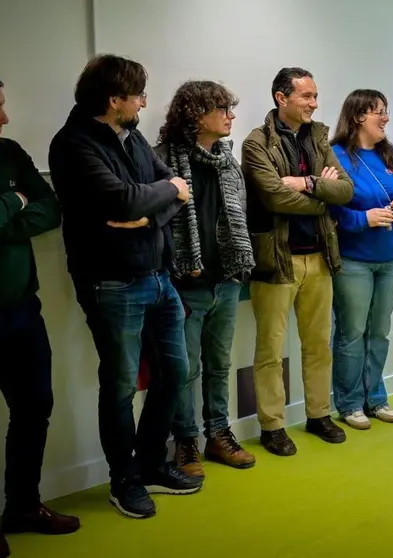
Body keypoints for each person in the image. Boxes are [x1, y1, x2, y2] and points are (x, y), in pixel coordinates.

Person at [48, 54, 201, 519]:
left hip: (159, 277)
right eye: (138, 96)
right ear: (115, 100)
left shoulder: (131, 135)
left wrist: (149, 209)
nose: (143, 103)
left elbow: (176, 188)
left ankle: (153, 463)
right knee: (118, 386)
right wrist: (160, 196)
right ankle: (125, 479)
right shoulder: (73, 144)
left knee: (175, 373)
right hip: (110, 283)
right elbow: (124, 197)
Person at [0, 67, 79, 558]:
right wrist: (12, 202)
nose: (4, 117)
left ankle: (24, 506)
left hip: (20, 309)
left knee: (35, 407)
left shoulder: (10, 154)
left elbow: (49, 208)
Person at [241, 67, 354, 456]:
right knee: (270, 351)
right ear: (281, 97)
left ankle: (319, 414)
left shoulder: (320, 136)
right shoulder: (256, 142)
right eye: (306, 96)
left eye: (315, 95)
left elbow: (345, 190)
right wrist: (322, 194)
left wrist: (306, 183)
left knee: (318, 344)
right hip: (276, 262)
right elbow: (273, 197)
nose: (314, 103)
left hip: (319, 259)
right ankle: (272, 425)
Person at [154, 81, 256, 478]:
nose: (231, 117)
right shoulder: (163, 160)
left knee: (219, 364)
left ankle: (219, 434)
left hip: (226, 279)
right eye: (222, 110)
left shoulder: (228, 161)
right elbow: (157, 222)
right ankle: (185, 442)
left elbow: (240, 217)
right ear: (197, 115)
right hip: (185, 283)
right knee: (184, 369)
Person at [328, 89, 393, 429]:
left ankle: (375, 397)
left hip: (391, 259)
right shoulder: (336, 156)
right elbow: (331, 210)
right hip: (354, 261)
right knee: (351, 332)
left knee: (379, 332)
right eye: (378, 111)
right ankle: (349, 404)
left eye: (386, 110)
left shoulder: (392, 155)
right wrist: (363, 219)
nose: (386, 118)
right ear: (357, 117)